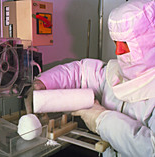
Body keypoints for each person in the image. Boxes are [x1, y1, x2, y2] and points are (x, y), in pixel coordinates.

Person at [24, 0, 155, 156]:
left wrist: (102, 120)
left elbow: (150, 149)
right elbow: (81, 72)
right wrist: (42, 82)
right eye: (116, 42)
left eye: (126, 44)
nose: (118, 51)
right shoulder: (114, 74)